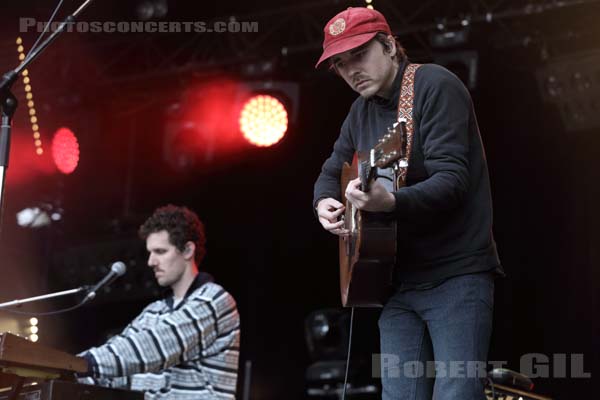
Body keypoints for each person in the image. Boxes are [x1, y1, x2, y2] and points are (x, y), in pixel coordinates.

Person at [313, 7, 504, 400]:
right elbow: (331, 170)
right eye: (340, 64)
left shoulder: (434, 85)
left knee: (455, 393)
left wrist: (390, 202)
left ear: (389, 45)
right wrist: (324, 203)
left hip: (456, 275)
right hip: (397, 282)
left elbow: (452, 182)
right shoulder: (359, 112)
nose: (351, 71)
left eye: (359, 56)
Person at [79, 205, 240, 400]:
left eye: (160, 251)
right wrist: (62, 369)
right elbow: (119, 361)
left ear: (188, 250)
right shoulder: (153, 313)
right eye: (150, 252)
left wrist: (81, 365)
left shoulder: (214, 300)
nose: (150, 261)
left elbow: (156, 346)